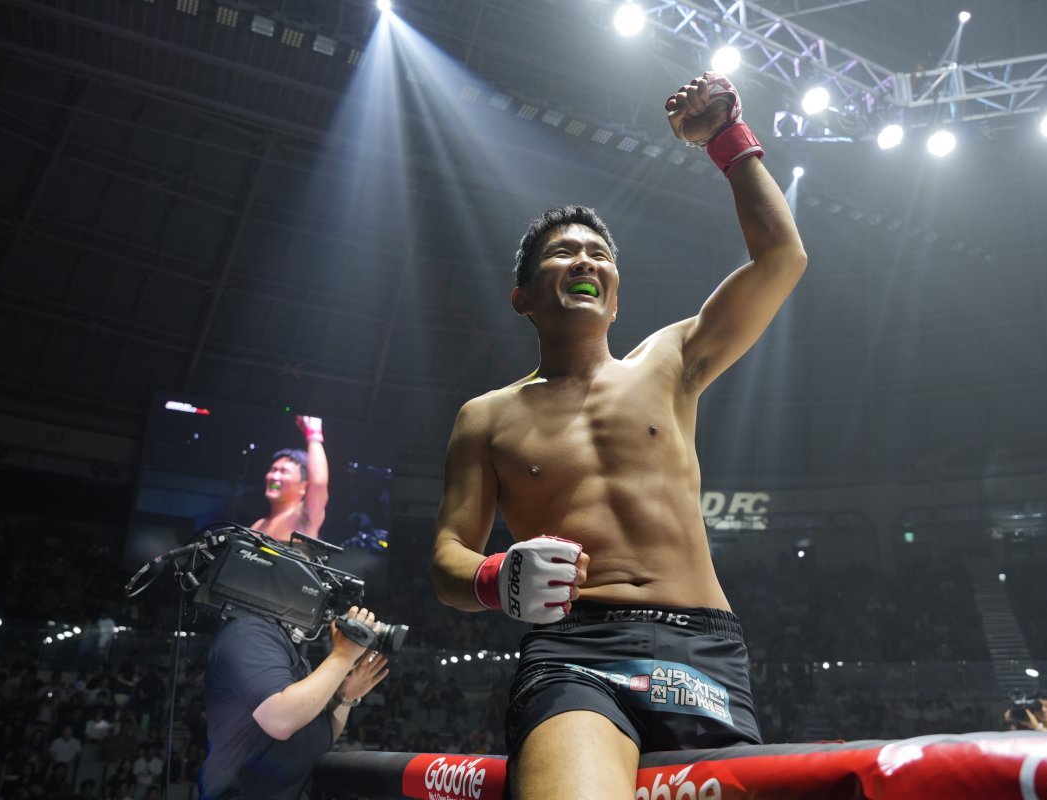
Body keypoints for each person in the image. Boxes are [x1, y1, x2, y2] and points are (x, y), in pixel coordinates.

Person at [431, 72, 807, 800]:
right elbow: (448, 558)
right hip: (577, 652)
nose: (584, 260)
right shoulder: (487, 416)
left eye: (599, 254)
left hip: (705, 649)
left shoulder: (671, 360)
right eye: (562, 253)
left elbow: (781, 259)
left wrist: (728, 140)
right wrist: (493, 578)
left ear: (614, 294)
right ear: (523, 298)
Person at [199, 606, 390, 800]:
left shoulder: (290, 653)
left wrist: (345, 695)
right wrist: (343, 656)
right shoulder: (248, 633)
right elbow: (280, 719)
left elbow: (321, 733)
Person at [252, 415, 328, 542]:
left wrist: (314, 434)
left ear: (303, 487)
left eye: (284, 472)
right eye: (273, 470)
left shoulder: (303, 517)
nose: (275, 477)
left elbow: (318, 483)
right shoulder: (258, 525)